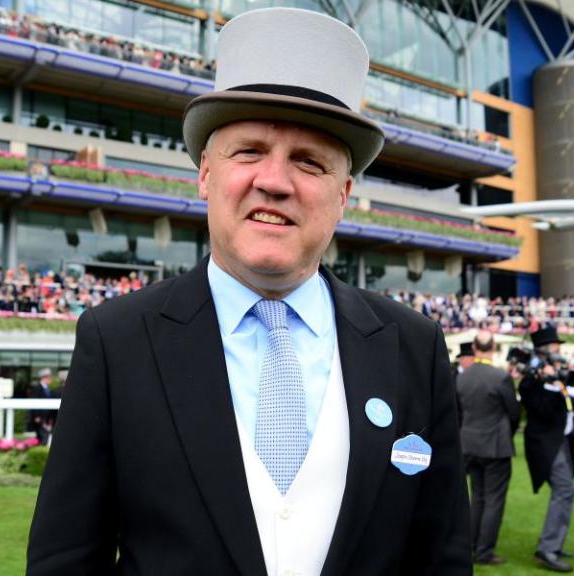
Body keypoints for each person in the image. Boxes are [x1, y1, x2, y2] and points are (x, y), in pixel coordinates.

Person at [28, 8, 471, 575]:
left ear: (343, 195)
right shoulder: (117, 340)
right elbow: (66, 560)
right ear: (206, 174)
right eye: (250, 151)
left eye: (309, 162)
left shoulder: (414, 345)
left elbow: (442, 558)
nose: (275, 181)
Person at [456, 330, 519, 566]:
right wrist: (507, 434)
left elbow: (459, 411)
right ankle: (483, 551)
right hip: (494, 445)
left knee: (478, 496)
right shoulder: (500, 377)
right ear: (493, 347)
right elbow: (514, 412)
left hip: (470, 444)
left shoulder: (463, 376)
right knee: (493, 499)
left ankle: (472, 545)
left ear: (474, 347)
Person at [519, 326, 574, 572]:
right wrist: (550, 384)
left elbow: (571, 406)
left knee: (566, 491)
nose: (559, 350)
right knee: (565, 489)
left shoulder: (558, 376)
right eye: (555, 346)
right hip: (545, 443)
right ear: (544, 351)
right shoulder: (531, 381)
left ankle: (554, 542)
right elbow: (541, 412)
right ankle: (547, 548)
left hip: (562, 441)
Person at [28, 368, 56, 445]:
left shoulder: (48, 389)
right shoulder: (37, 388)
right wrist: (36, 416)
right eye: (49, 377)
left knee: (45, 436)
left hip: (46, 418)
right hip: (40, 417)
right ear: (44, 377)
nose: (51, 379)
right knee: (42, 436)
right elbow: (34, 402)